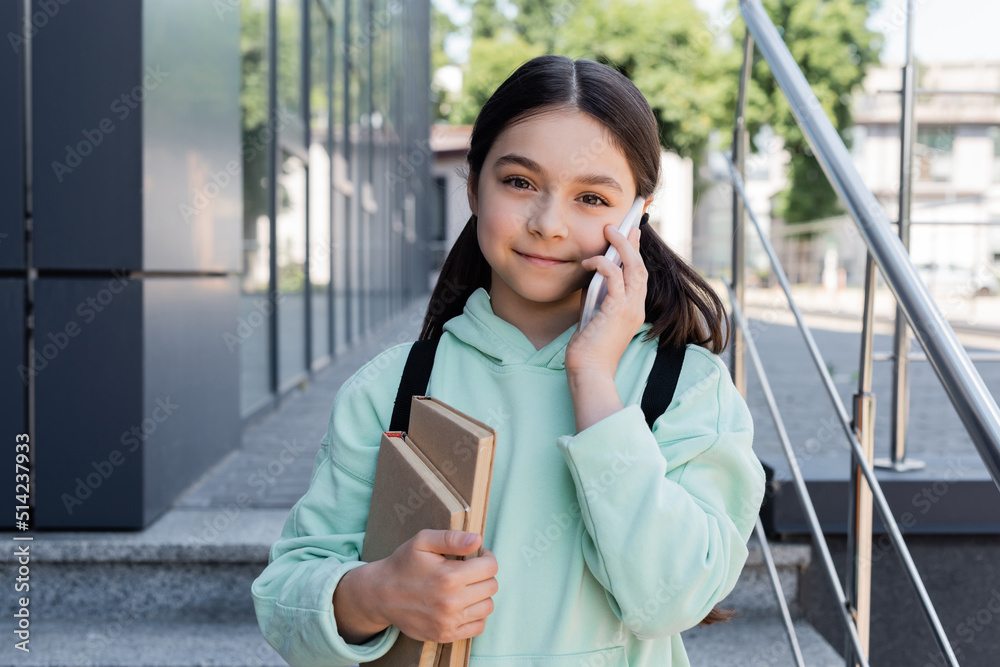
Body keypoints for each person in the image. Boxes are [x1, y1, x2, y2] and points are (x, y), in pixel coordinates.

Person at [251, 53, 766, 667]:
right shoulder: (394, 384)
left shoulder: (685, 387)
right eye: (520, 182)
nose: (548, 223)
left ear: (638, 212)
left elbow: (673, 598)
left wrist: (594, 380)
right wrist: (376, 593)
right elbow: (287, 595)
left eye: (592, 198)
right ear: (473, 185)